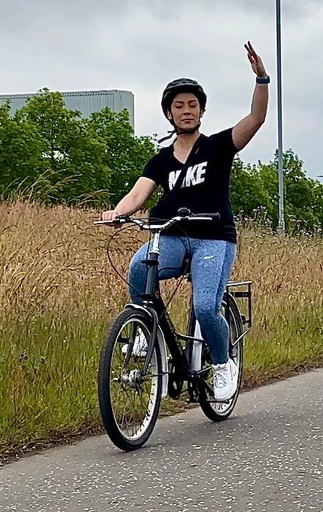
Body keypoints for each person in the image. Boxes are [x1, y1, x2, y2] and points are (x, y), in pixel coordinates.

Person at [100, 42, 269, 400]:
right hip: (173, 236)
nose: (186, 110)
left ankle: (223, 365)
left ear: (202, 110)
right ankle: (147, 337)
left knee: (206, 305)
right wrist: (118, 212)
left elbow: (256, 120)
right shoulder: (161, 160)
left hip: (213, 237)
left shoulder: (218, 147)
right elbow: (138, 194)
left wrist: (261, 79)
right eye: (179, 106)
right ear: (169, 114)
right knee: (137, 268)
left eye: (192, 104)